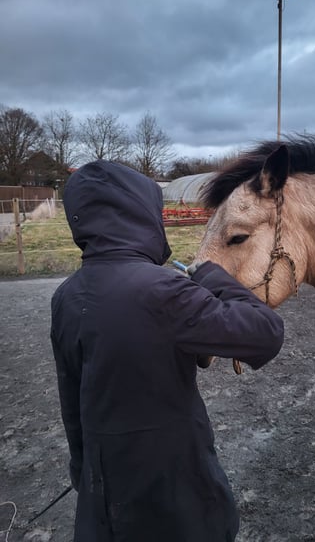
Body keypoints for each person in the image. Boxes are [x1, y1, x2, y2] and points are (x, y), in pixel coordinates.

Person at [50, 159, 284, 542]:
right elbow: (265, 333)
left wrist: (83, 472)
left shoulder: (65, 297)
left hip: (103, 501)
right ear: (139, 214)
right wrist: (209, 273)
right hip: (177, 498)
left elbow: (70, 399)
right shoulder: (165, 290)